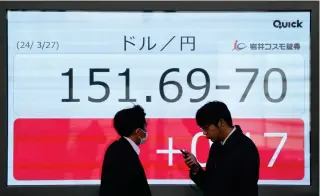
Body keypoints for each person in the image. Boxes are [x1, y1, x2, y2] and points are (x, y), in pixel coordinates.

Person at [183, 101, 260, 196]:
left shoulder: (245, 148)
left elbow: (246, 190)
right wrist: (195, 168)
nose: (204, 133)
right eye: (202, 129)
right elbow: (210, 186)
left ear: (221, 123)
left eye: (206, 128)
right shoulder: (216, 146)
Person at [99, 105, 152, 196]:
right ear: (138, 131)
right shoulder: (122, 152)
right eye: (145, 127)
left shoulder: (119, 148)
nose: (146, 131)